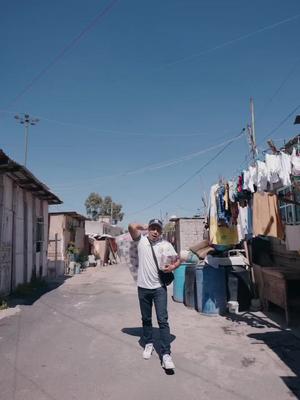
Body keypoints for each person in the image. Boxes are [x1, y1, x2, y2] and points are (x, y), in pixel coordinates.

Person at [128, 218, 181, 369]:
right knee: (146, 318)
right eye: (153, 228)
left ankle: (166, 354)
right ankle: (149, 343)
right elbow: (131, 225)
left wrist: (172, 267)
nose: (155, 231)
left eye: (158, 229)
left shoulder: (166, 245)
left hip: (159, 288)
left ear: (161, 232)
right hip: (143, 288)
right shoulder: (141, 241)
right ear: (149, 229)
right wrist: (144, 226)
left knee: (162, 320)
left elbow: (179, 260)